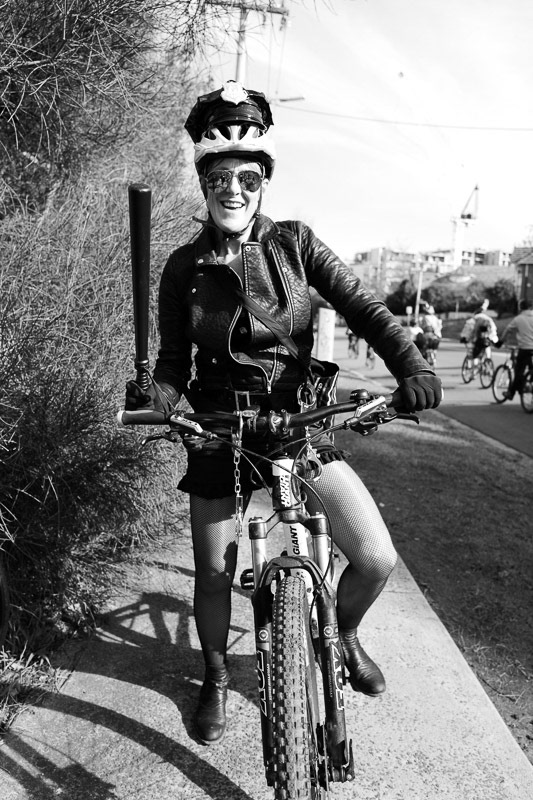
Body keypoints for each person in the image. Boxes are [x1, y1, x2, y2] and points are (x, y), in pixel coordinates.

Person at [124, 81, 442, 746]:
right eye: (219, 176)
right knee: (214, 573)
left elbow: (364, 309)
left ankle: (342, 633)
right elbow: (173, 363)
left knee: (375, 558)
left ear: (263, 181)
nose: (233, 189)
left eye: (247, 177)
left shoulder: (296, 244)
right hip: (218, 432)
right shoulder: (182, 267)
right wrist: (155, 399)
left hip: (298, 426)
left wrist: (411, 367)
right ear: (204, 182)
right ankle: (215, 675)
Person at [498, 299, 533, 399]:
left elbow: (508, 330)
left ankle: (511, 393)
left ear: (520, 307)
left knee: (519, 371)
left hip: (525, 348)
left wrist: (500, 342)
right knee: (531, 368)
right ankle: (529, 382)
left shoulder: (518, 319)